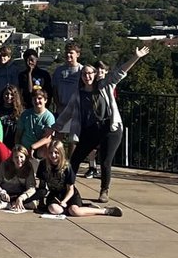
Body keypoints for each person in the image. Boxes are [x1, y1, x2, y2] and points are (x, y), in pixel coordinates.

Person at [53, 46, 150, 203]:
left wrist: (136, 57)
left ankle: (104, 190)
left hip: (110, 128)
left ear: (95, 74)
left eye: (90, 73)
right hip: (91, 130)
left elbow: (120, 72)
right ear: (81, 76)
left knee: (105, 161)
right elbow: (67, 114)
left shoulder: (105, 85)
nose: (87, 76)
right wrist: (53, 128)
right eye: (84, 74)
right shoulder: (78, 94)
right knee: (74, 160)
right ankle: (67, 187)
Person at [36, 139, 122, 217]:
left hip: (69, 194)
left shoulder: (67, 167)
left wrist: (64, 201)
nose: (53, 155)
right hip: (54, 194)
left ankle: (104, 211)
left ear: (61, 153)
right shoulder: (43, 165)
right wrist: (41, 202)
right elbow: (42, 186)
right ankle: (84, 207)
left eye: (56, 152)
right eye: (50, 152)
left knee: (75, 211)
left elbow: (70, 189)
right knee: (54, 210)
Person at [0, 145, 37, 213]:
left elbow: (31, 187)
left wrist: (22, 197)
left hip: (20, 194)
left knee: (40, 193)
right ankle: (10, 204)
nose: (19, 160)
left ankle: (10, 204)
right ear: (12, 158)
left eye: (21, 157)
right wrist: (2, 193)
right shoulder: (4, 165)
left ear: (25, 157)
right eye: (16, 157)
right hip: (6, 194)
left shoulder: (28, 167)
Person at [51, 42, 82, 112]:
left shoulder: (82, 71)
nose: (68, 55)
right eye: (67, 52)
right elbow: (54, 90)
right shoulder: (58, 71)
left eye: (71, 53)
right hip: (61, 109)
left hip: (77, 109)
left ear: (77, 54)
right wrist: (58, 106)